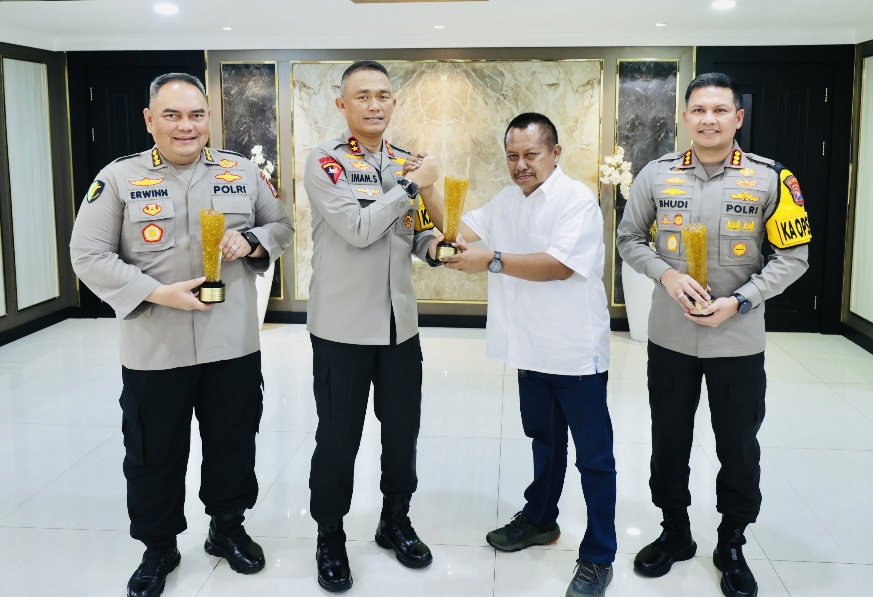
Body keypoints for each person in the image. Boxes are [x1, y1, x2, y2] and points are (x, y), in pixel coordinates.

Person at [69, 73, 294, 597]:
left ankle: (227, 528)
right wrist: (156, 292)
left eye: (195, 114)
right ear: (150, 120)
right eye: (171, 115)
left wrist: (252, 240)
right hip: (156, 345)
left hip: (231, 343)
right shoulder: (119, 178)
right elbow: (88, 255)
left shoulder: (241, 172)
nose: (185, 125)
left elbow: (281, 226)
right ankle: (159, 546)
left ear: (208, 118)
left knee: (233, 442)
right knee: (154, 452)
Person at [617, 72, 811, 597]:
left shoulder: (771, 179)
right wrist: (666, 274)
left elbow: (793, 257)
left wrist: (741, 300)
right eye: (699, 110)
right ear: (685, 117)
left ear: (738, 118)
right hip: (671, 338)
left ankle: (732, 542)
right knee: (669, 438)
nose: (709, 120)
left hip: (737, 340)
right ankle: (674, 531)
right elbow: (629, 238)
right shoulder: (656, 176)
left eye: (720, 110)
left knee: (738, 445)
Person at [411, 112, 616, 597]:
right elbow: (459, 229)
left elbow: (560, 266)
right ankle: (541, 519)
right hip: (530, 348)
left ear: (555, 153)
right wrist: (428, 187)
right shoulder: (508, 199)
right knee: (543, 440)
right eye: (512, 156)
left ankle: (598, 555)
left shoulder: (576, 200)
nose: (521, 165)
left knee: (594, 457)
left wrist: (493, 260)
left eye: (531, 155)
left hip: (574, 352)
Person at [302, 60, 442, 593]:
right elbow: (360, 229)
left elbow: (415, 232)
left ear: (394, 102)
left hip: (399, 326)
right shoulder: (326, 163)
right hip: (342, 328)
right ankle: (330, 534)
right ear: (343, 105)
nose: (374, 104)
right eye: (362, 96)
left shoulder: (406, 162)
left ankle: (394, 519)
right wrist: (411, 185)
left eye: (383, 95)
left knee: (403, 429)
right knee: (339, 437)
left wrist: (436, 247)